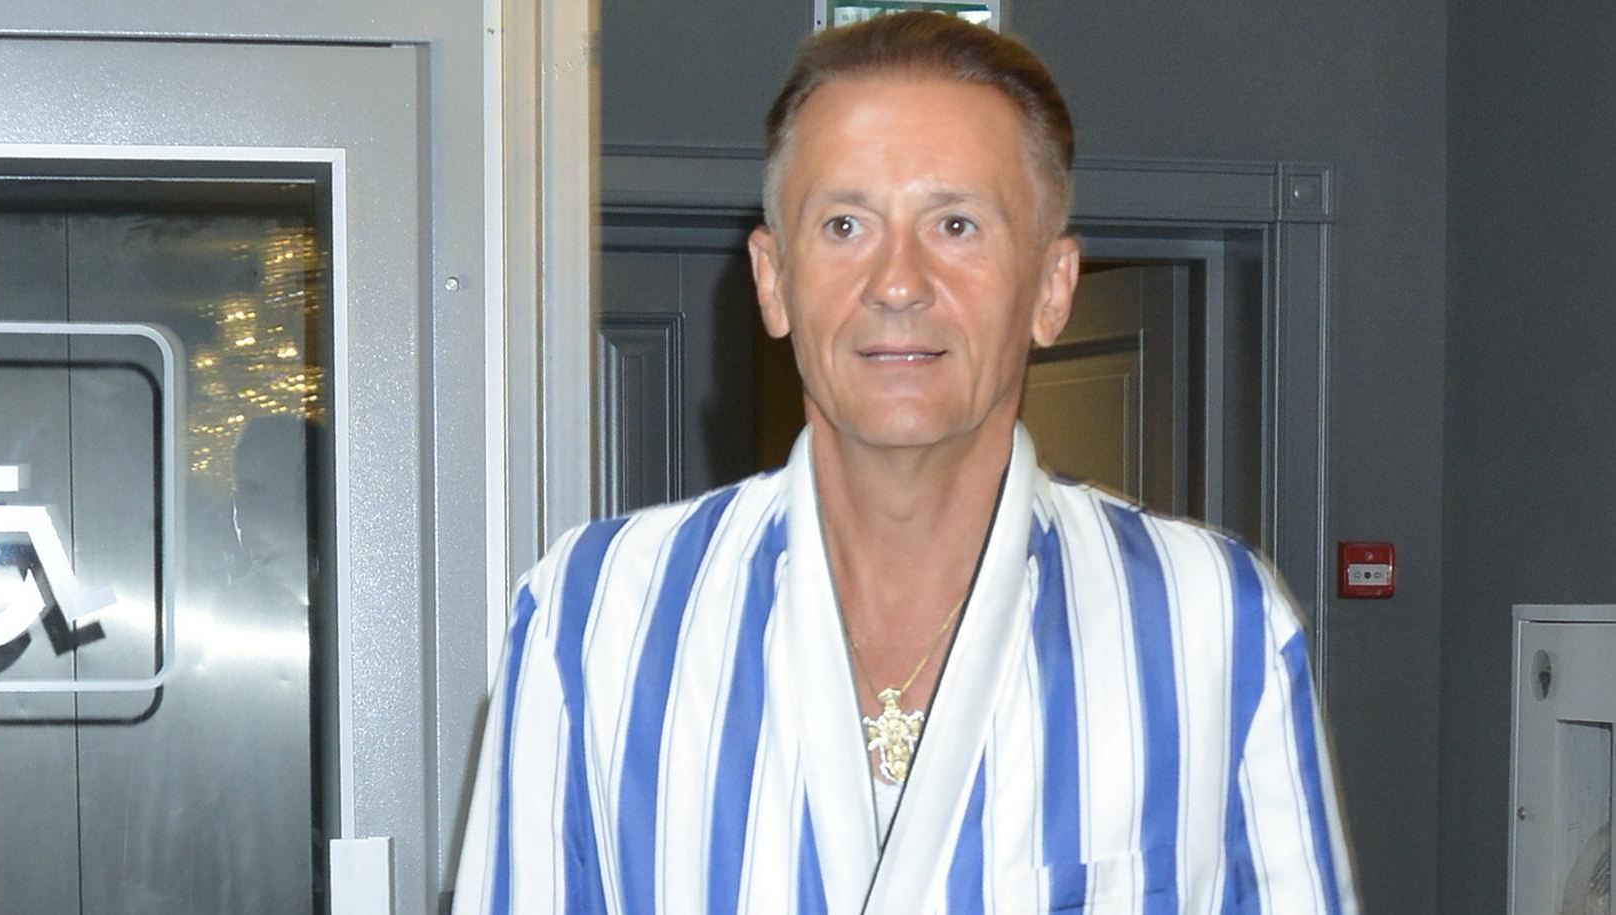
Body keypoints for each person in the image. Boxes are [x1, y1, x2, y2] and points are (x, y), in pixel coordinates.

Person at [454, 12, 1357, 914]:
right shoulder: (592, 618)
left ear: (1052, 288)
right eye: (845, 224)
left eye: (956, 225)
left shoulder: (1215, 624)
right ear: (773, 280)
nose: (897, 282)